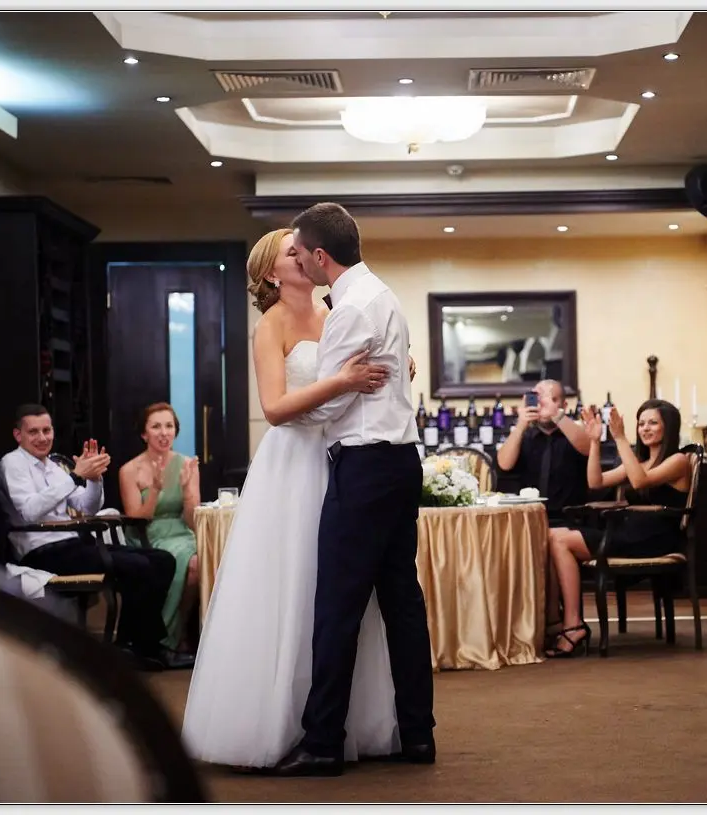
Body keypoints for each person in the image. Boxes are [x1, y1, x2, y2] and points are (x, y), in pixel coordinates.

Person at [180, 227, 398, 770]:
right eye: (289, 252)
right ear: (270, 273)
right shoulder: (270, 325)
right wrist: (344, 381)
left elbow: (361, 372)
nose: (300, 256)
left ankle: (339, 719)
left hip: (339, 456)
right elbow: (275, 408)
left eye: (301, 249)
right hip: (291, 463)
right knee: (292, 581)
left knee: (338, 591)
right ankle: (277, 723)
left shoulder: (334, 312)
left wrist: (395, 368)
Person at [271, 202, 435, 777]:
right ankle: (418, 734)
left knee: (337, 607)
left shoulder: (348, 309)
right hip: (401, 463)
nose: (297, 262)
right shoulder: (383, 295)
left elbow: (330, 407)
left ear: (320, 256)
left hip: (363, 467)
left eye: (299, 253)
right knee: (402, 603)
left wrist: (306, 400)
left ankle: (322, 742)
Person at [0, 404, 183, 670]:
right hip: (43, 552)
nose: (42, 438)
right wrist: (75, 476)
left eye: (47, 430)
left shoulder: (52, 466)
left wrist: (94, 480)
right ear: (18, 435)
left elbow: (88, 508)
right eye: (33, 432)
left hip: (72, 544)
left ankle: (134, 646)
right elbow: (29, 511)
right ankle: (140, 647)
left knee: (163, 560)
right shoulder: (13, 463)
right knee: (139, 567)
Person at [545, 399, 692, 658]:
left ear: (668, 428)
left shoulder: (678, 460)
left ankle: (572, 625)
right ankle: (561, 621)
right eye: (641, 423)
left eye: (653, 423)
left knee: (560, 539)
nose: (645, 428)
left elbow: (639, 481)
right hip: (629, 534)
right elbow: (595, 481)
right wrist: (594, 442)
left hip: (654, 540)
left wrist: (620, 438)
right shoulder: (640, 461)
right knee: (552, 535)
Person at [118, 403, 200, 652]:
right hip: (148, 534)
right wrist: (154, 489)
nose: (164, 433)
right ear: (144, 434)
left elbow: (192, 521)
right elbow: (138, 519)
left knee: (204, 561)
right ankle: (166, 635)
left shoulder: (187, 465)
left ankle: (183, 629)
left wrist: (186, 491)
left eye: (169, 426)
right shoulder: (129, 470)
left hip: (182, 531)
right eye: (156, 427)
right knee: (188, 563)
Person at [495, 379, 592, 521]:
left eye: (553, 400)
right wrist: (521, 424)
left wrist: (557, 415)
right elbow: (504, 464)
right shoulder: (524, 436)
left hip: (569, 518)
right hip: (529, 518)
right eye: (539, 400)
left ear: (564, 406)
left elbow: (590, 448)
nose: (545, 404)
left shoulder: (574, 433)